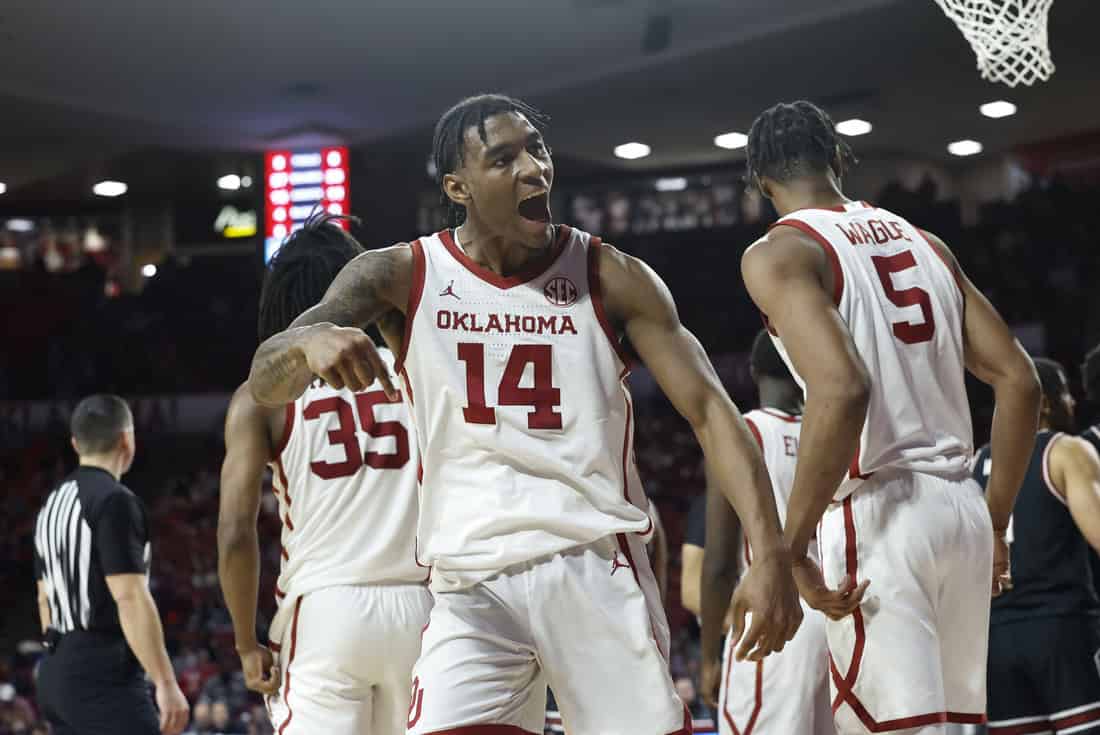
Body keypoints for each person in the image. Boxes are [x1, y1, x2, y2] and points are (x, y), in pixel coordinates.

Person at [247, 93, 810, 735]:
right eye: (504, 158)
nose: (534, 168)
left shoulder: (611, 274)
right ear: (458, 186)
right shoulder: (400, 273)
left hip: (592, 562)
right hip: (470, 581)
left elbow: (712, 413)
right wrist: (304, 340)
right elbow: (266, 377)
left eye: (537, 150)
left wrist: (769, 555)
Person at [735, 100, 1041, 735]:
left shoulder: (780, 252)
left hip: (883, 514)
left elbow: (843, 389)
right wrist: (998, 522)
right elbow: (1019, 380)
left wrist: (789, 550)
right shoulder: (926, 243)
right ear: (841, 160)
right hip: (962, 510)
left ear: (760, 181)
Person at [217, 213, 430, 735]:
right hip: (427, 604)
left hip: (325, 610)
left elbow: (235, 534)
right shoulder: (416, 367)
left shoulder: (259, 398)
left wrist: (246, 642)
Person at [33, 394, 190, 735]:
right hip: (101, 672)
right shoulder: (114, 500)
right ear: (127, 439)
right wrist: (165, 683)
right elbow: (130, 597)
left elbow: (44, 597)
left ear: (76, 444)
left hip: (55, 669)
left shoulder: (52, 503)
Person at [704, 330, 834, 735]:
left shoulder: (743, 433)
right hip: (832, 610)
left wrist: (708, 655)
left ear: (754, 371)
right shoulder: (830, 435)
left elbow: (720, 562)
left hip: (774, 613)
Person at [975, 358, 1100, 734]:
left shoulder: (974, 463)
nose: (1073, 402)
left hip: (996, 639)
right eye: (1064, 391)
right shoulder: (1065, 450)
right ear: (1042, 401)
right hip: (1061, 631)